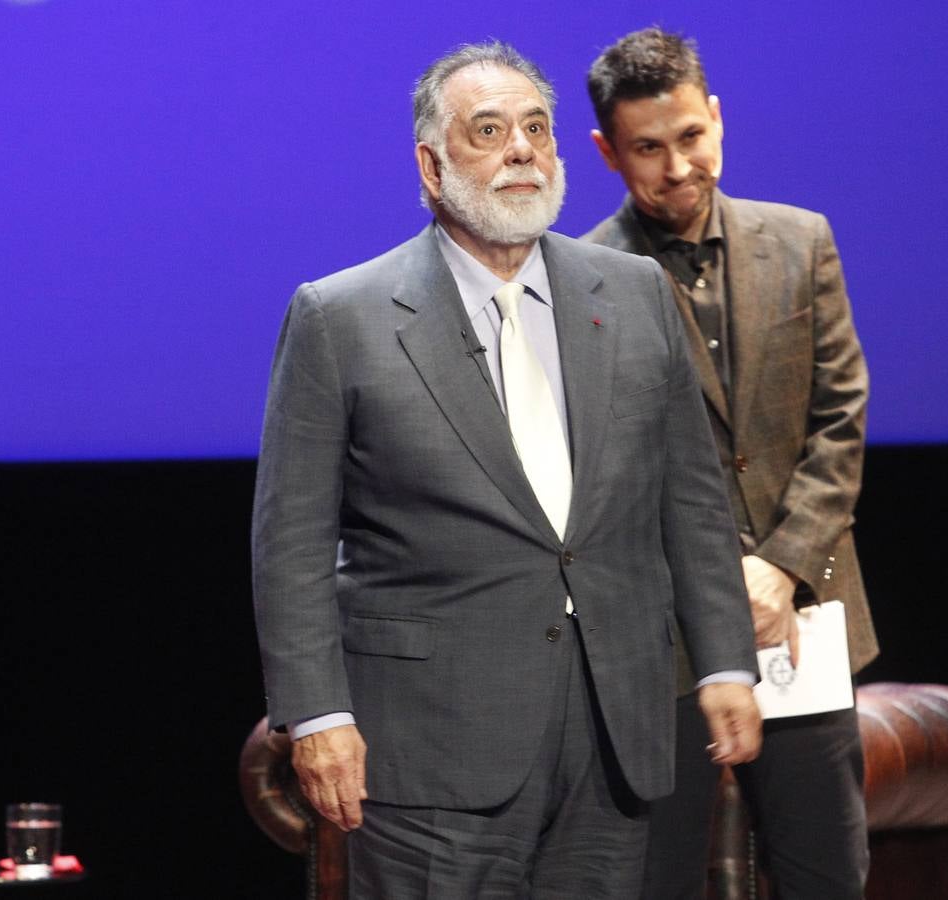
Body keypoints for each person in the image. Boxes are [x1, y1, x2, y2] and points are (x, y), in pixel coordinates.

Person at [251, 41, 763, 898]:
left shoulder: (631, 292)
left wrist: (723, 664)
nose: (521, 148)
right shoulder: (341, 317)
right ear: (431, 164)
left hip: (613, 732)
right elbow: (290, 543)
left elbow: (690, 498)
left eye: (535, 128)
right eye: (488, 130)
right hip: (431, 745)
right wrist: (320, 715)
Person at [582, 28, 878, 900]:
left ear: (715, 118)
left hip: (805, 619)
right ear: (606, 151)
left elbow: (839, 421)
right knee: (657, 878)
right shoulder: (583, 280)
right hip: (663, 642)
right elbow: (608, 474)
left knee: (826, 875)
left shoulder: (800, 241)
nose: (677, 167)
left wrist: (781, 565)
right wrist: (716, 585)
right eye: (647, 149)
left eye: (690, 137)